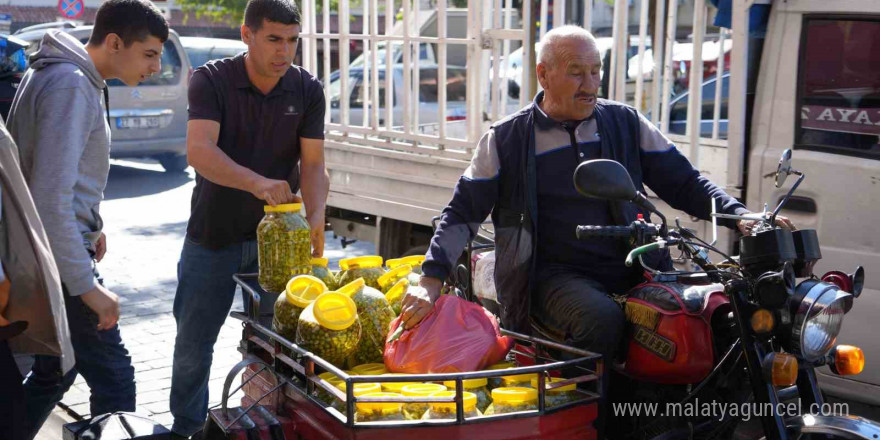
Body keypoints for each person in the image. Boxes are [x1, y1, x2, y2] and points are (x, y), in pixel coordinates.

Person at [398, 26, 792, 435]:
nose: (590, 85)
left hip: (639, 267)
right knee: (601, 318)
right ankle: (592, 426)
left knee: (711, 315)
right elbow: (462, 212)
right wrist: (430, 280)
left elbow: (686, 183)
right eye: (576, 72)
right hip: (551, 276)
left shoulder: (625, 122)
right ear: (543, 74)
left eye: (595, 72)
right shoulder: (506, 139)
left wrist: (740, 216)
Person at [7, 1, 169, 437]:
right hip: (59, 263)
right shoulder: (71, 85)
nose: (156, 67)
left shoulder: (61, 75)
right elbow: (48, 197)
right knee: (116, 381)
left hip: (54, 251)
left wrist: (90, 225)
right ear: (115, 42)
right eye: (150, 54)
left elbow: (55, 176)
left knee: (55, 372)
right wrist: (87, 286)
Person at [169, 0, 328, 436]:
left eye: (293, 41)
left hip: (279, 245)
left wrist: (316, 216)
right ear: (247, 35)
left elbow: (313, 165)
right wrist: (258, 182)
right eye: (274, 39)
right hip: (212, 237)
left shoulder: (307, 89)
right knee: (192, 346)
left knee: (276, 345)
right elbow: (200, 151)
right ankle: (186, 429)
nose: (285, 51)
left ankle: (260, 425)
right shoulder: (211, 80)